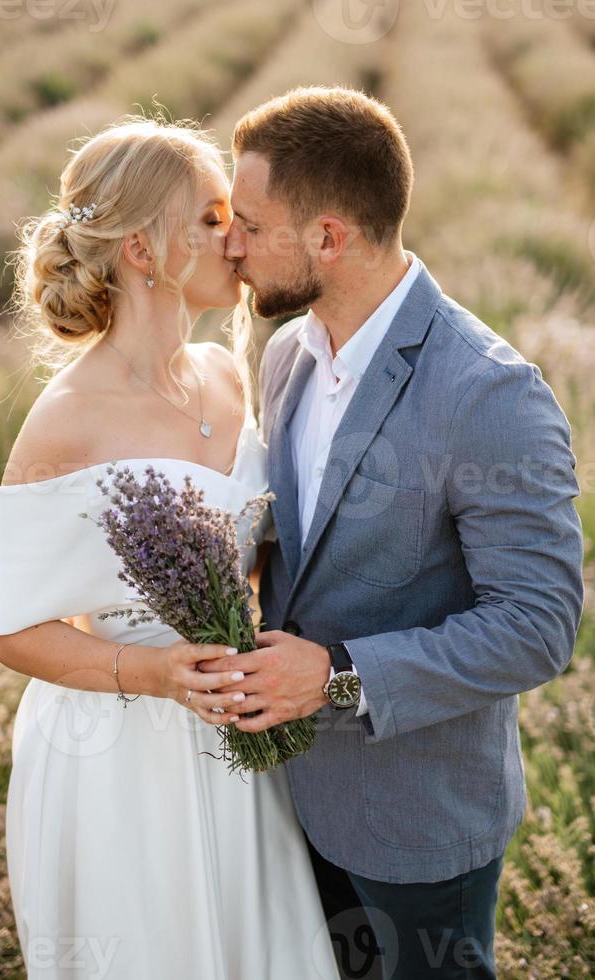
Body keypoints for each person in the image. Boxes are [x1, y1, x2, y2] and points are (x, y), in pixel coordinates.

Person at [198, 86, 585, 979]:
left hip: (417, 821)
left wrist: (333, 678)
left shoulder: (490, 393)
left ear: (329, 237)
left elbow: (536, 627)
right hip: (291, 796)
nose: (230, 246)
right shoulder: (289, 352)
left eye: (250, 224)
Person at [0, 115, 340, 980]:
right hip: (119, 756)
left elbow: (248, 540)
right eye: (214, 216)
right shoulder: (64, 421)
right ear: (144, 250)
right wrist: (157, 673)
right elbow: (14, 631)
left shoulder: (227, 375)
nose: (239, 234)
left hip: (232, 735)